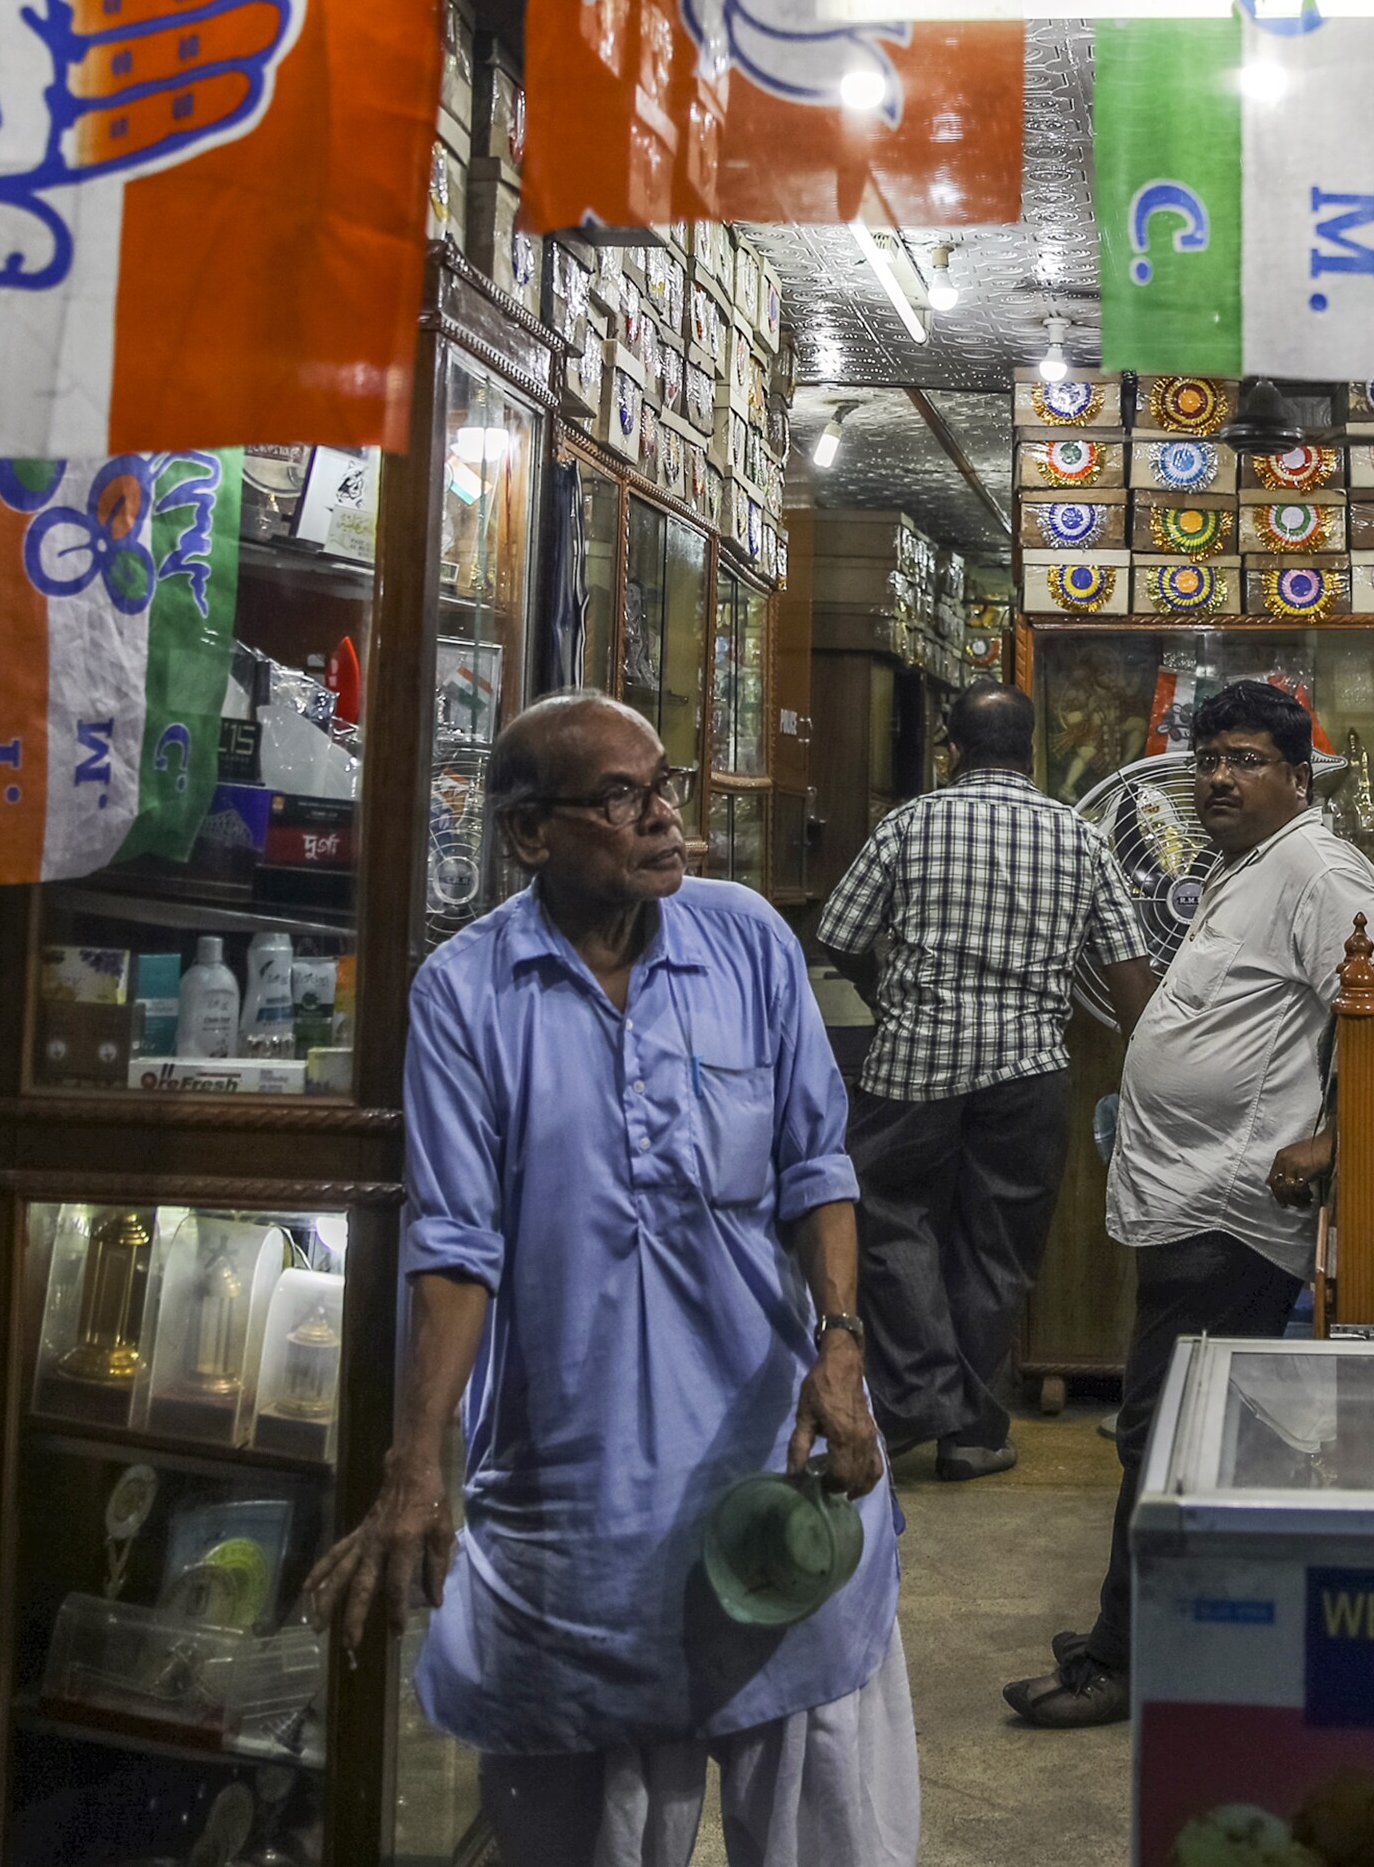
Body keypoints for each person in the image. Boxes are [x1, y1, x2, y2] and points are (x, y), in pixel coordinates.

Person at [299, 691, 914, 1866]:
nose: (664, 818)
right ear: (530, 834)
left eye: (665, 785)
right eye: (621, 798)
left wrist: (839, 1347)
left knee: (817, 1790)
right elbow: (456, 1243)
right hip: (579, 1490)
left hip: (771, 1458)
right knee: (593, 1816)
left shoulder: (743, 940)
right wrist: (412, 1463)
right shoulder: (467, 991)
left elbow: (814, 1162)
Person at [1003, 676, 1374, 1729]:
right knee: (1158, 1425)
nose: (1218, 777)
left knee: (1168, 1430)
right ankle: (1136, 1632)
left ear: (1297, 774)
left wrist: (1329, 1138)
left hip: (1232, 1201)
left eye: (1245, 759)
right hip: (1186, 1193)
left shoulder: (1318, 867)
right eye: (1208, 758)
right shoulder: (1249, 865)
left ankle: (1122, 1662)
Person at [815, 681, 1153, 1481]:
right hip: (1029, 1070)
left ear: (952, 747)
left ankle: (920, 1395)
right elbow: (1133, 982)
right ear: (1031, 747)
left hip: (913, 1062)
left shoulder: (910, 823)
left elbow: (839, 934)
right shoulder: (1079, 838)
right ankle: (971, 1436)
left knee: (885, 1214)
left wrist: (884, 990)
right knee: (998, 1252)